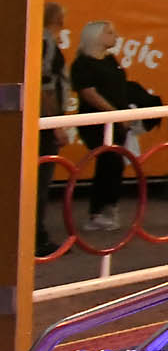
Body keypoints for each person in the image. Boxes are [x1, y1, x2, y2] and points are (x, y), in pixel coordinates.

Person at [64, 23, 157, 225]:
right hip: (96, 121)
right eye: (109, 32)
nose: (114, 36)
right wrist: (113, 113)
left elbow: (121, 86)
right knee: (109, 160)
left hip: (118, 120)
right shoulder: (82, 64)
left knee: (114, 164)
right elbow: (89, 93)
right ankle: (99, 210)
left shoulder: (110, 60)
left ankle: (108, 208)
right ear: (95, 36)